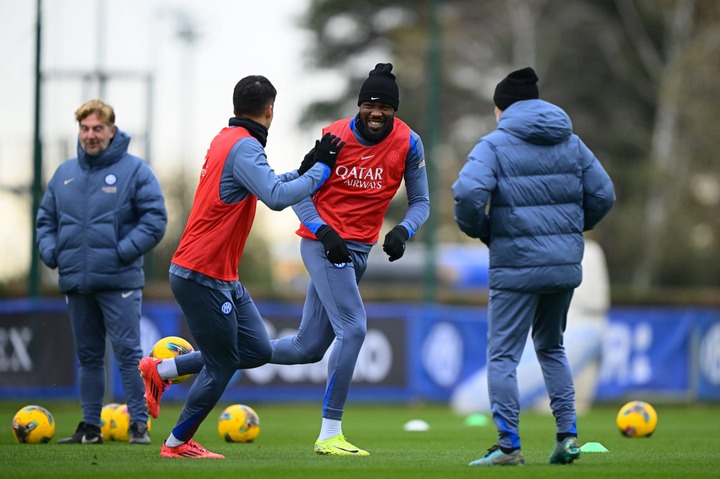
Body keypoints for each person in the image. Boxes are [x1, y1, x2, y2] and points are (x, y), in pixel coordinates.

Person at [138, 75, 343, 459]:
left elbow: (269, 183)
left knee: (257, 349)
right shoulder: (245, 148)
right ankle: (177, 443)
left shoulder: (225, 139)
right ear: (270, 111)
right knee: (223, 363)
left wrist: (305, 168)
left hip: (221, 276)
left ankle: (161, 371)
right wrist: (322, 171)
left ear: (236, 107)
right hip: (202, 274)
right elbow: (276, 198)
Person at [452, 66, 615, 466]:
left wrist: (484, 230)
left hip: (516, 265)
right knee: (553, 348)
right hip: (562, 265)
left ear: (500, 108)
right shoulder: (572, 142)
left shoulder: (494, 144)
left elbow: (468, 193)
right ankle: (567, 438)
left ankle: (509, 448)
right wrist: (572, 229)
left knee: (503, 357)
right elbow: (604, 194)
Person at [270, 62, 430, 456]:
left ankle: (179, 366)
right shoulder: (335, 136)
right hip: (323, 244)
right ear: (360, 106)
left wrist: (403, 230)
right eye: (369, 104)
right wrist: (323, 230)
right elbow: (297, 185)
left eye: (385, 106)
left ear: (394, 110)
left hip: (357, 250)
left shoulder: (410, 143)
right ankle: (329, 434)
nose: (376, 112)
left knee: (305, 348)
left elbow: (421, 202)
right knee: (355, 329)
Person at [36, 99, 167, 445]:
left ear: (112, 130)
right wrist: (53, 253)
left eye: (97, 128)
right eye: (84, 129)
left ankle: (138, 425)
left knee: (128, 354)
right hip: (77, 281)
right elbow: (45, 221)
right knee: (89, 356)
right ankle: (90, 427)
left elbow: (155, 220)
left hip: (119, 281)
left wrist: (120, 252)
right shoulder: (64, 174)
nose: (90, 135)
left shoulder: (136, 171)